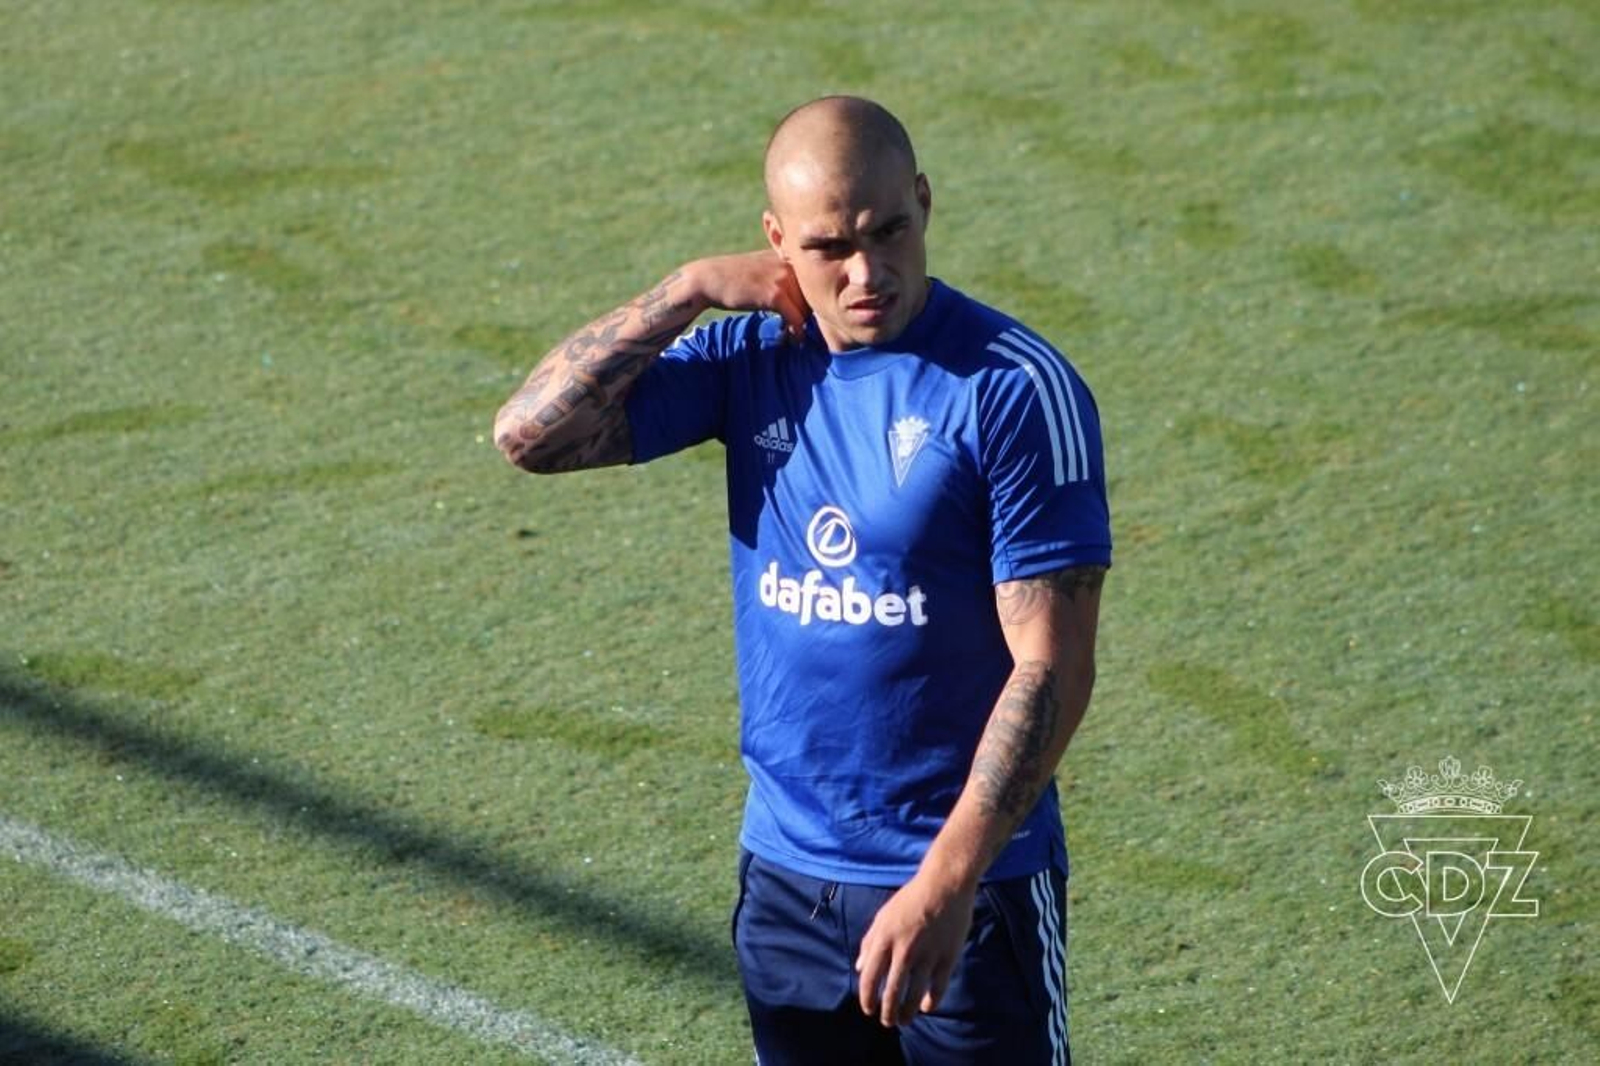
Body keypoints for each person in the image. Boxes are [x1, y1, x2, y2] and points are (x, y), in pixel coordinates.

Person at [494, 95, 1110, 1065]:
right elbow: (529, 437)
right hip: (786, 880)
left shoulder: (1012, 388)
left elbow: (1052, 667)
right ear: (775, 243)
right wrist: (688, 288)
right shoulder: (751, 355)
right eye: (828, 248)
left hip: (963, 891)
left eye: (890, 231)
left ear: (924, 201)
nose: (867, 273)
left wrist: (946, 888)